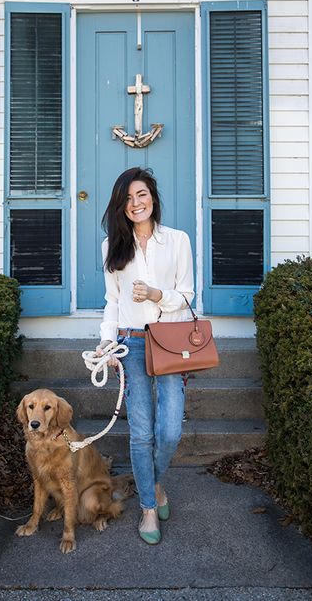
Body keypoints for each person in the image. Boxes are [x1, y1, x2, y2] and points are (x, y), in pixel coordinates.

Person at [96, 166, 194, 545]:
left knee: (169, 430)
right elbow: (111, 301)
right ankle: (150, 507)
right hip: (131, 343)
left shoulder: (178, 241)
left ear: (152, 196)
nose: (136, 203)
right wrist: (107, 342)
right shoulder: (112, 247)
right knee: (141, 433)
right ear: (120, 207)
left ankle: (149, 483)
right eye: (127, 199)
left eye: (141, 195)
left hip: (171, 341)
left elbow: (187, 296)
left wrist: (156, 295)